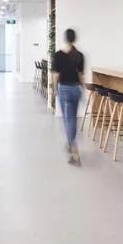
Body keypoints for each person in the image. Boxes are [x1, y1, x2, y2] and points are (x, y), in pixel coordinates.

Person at [52, 28, 85, 165]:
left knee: (68, 120)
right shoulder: (79, 55)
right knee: (72, 119)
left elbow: (56, 75)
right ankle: (70, 143)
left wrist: (55, 89)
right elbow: (81, 75)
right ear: (74, 39)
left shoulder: (58, 55)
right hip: (76, 89)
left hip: (64, 89)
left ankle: (73, 149)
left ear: (65, 38)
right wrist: (83, 89)